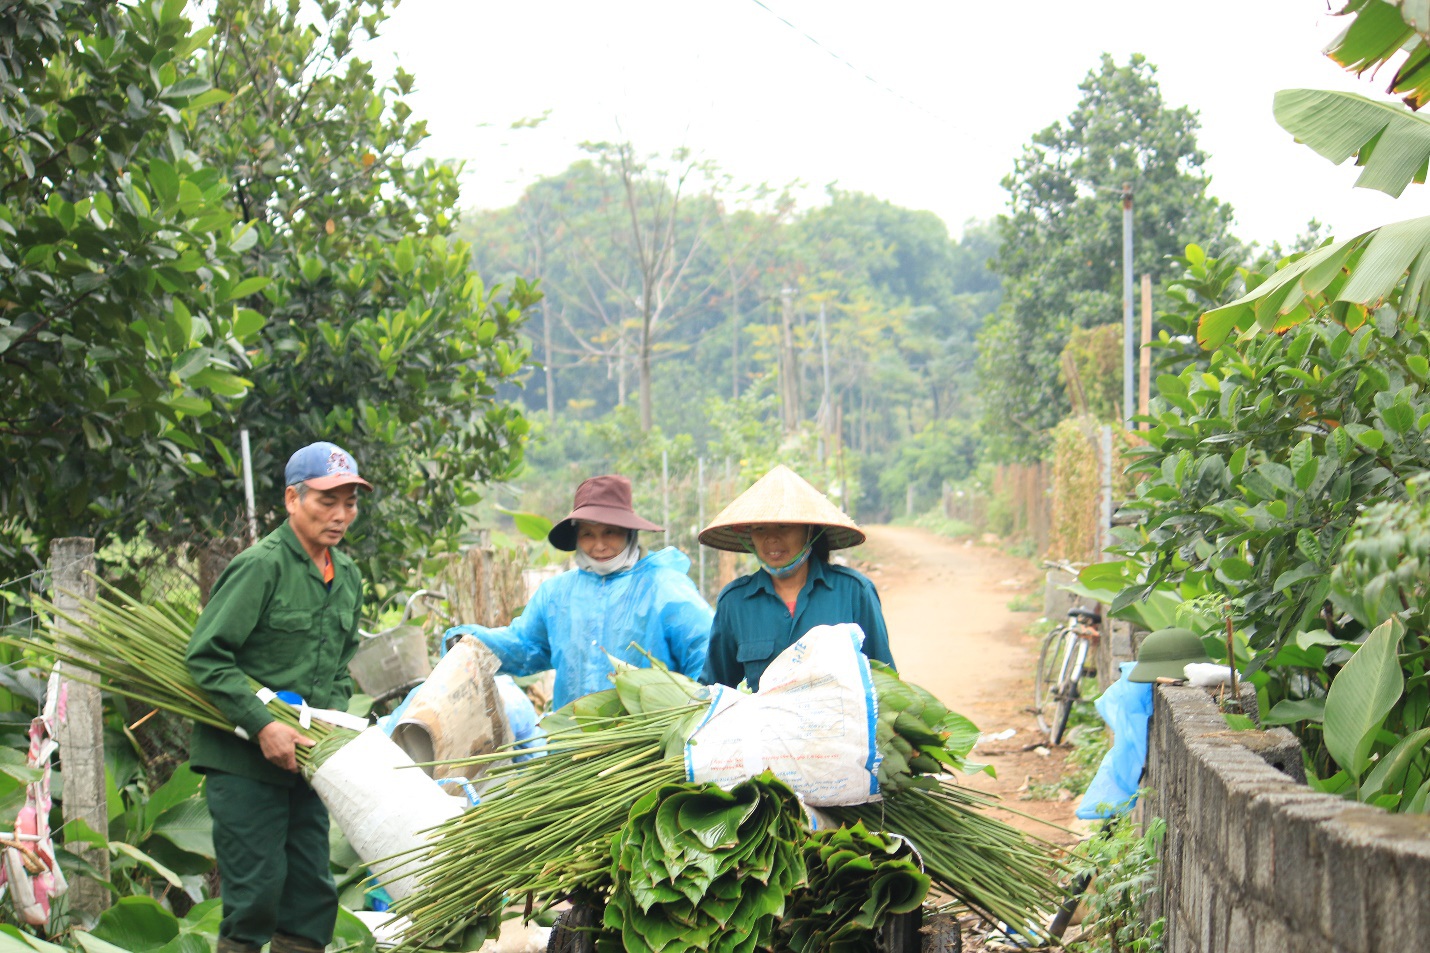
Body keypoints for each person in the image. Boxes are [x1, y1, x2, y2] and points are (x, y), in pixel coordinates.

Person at [186, 442, 372, 953]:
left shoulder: (348, 577)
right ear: (293, 499)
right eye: (326, 501)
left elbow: (338, 669)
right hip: (243, 761)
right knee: (255, 898)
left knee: (312, 895)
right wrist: (263, 725)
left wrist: (328, 728)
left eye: (350, 503)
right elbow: (208, 657)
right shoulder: (260, 567)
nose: (340, 516)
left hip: (307, 763)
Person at [443, 474, 713, 709]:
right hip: (572, 746)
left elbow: (705, 650)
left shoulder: (664, 587)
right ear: (576, 538)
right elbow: (526, 645)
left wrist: (691, 711)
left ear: (630, 533)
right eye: (588, 534)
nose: (599, 545)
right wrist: (473, 642)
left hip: (647, 747)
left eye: (611, 532)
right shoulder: (557, 594)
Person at [699, 464, 895, 691]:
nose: (771, 539)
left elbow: (885, 681)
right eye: (760, 529)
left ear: (809, 530)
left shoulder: (854, 592)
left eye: (784, 526)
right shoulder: (735, 603)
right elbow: (715, 688)